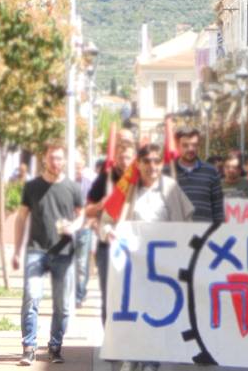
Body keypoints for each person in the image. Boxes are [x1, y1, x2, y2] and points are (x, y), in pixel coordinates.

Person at [100, 143, 194, 371]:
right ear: (139, 164)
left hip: (162, 267)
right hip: (132, 267)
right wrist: (109, 233)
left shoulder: (171, 189)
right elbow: (105, 222)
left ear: (161, 164)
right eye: (147, 161)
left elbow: (186, 225)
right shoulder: (127, 190)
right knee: (134, 314)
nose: (152, 166)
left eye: (156, 161)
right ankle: (132, 357)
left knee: (156, 313)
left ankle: (151, 360)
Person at [13, 142, 83, 365]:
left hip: (63, 252)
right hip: (36, 250)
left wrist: (74, 226)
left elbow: (81, 215)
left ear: (65, 161)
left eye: (60, 158)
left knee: (62, 305)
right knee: (31, 296)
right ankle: (29, 347)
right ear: (45, 158)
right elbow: (21, 217)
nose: (56, 162)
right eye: (52, 158)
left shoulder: (72, 187)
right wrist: (16, 250)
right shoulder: (32, 186)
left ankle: (55, 346)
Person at [86, 141, 135, 325]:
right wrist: (101, 204)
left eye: (128, 157)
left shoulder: (139, 180)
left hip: (133, 247)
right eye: (121, 157)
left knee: (132, 294)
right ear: (115, 159)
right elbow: (88, 209)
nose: (124, 161)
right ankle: (109, 340)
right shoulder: (104, 179)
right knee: (109, 294)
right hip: (107, 245)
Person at [172, 128, 224, 223]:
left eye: (194, 145)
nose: (191, 149)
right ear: (177, 146)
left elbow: (218, 208)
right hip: (175, 232)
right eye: (185, 145)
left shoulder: (211, 171)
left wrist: (219, 233)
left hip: (205, 233)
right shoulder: (168, 172)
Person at [73, 151, 94, 309]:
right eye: (74, 167)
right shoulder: (66, 181)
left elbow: (94, 206)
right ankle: (70, 292)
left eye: (79, 167)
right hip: (67, 228)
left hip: (84, 227)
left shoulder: (90, 182)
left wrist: (88, 222)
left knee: (81, 263)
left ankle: (79, 294)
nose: (77, 170)